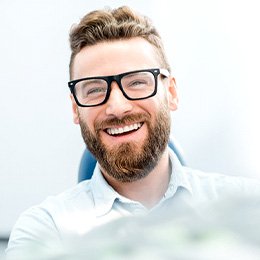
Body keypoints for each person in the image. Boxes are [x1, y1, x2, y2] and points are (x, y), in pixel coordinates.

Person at [6, 5, 260, 258]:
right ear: (75, 109)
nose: (117, 107)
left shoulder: (248, 209)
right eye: (94, 89)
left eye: (137, 82)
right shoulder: (45, 232)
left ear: (171, 93)